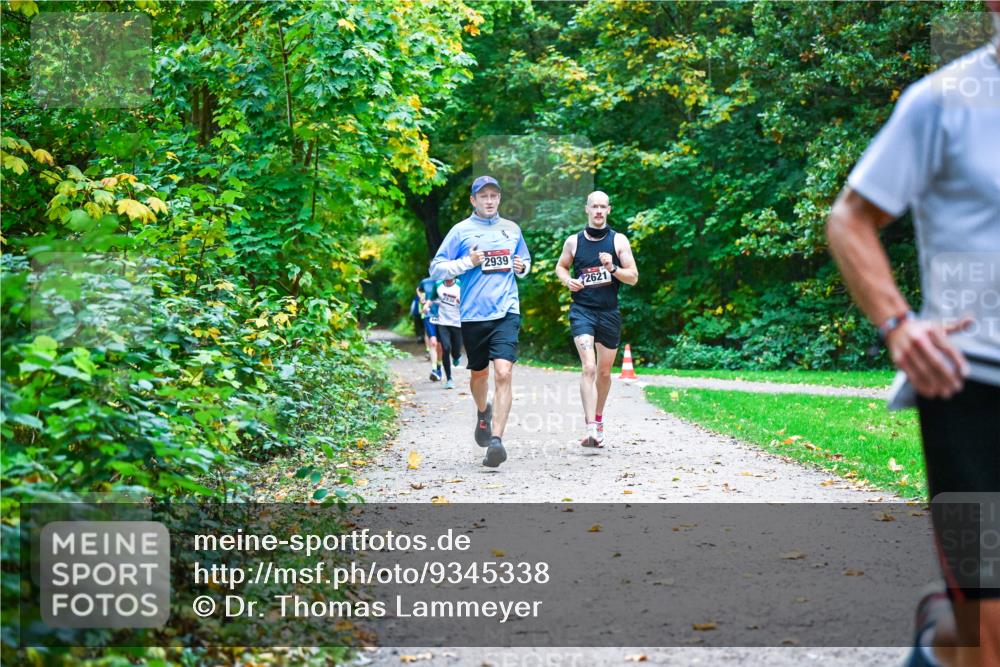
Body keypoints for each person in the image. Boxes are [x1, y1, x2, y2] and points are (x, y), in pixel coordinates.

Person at [825, 10, 999, 666]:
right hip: (968, 386)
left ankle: (940, 643)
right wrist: (898, 324)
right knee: (991, 631)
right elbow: (850, 218)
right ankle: (951, 638)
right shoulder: (940, 104)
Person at [430, 175, 531, 468]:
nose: (489, 201)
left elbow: (524, 260)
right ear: (473, 200)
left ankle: (497, 441)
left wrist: (522, 267)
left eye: (494, 196)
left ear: (499, 199)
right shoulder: (460, 231)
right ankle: (482, 412)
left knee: (503, 373)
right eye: (483, 196)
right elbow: (436, 268)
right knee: (479, 375)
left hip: (507, 310)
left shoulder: (512, 230)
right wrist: (467, 263)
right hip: (473, 314)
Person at [555, 191, 638, 448]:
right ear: (587, 209)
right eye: (595, 206)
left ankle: (599, 420)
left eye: (603, 207)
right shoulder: (574, 242)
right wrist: (568, 280)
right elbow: (561, 266)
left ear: (609, 210)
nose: (599, 211)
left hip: (609, 313)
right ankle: (590, 427)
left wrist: (612, 268)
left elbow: (633, 277)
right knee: (588, 367)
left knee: (603, 372)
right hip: (582, 311)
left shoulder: (619, 241)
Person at [435, 277, 463, 389]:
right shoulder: (437, 284)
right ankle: (449, 379)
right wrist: (427, 305)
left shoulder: (460, 283)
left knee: (456, 350)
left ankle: (456, 356)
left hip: (457, 322)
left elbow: (468, 296)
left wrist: (461, 299)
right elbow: (430, 297)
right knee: (445, 348)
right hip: (442, 322)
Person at [417, 276, 441, 381]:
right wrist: (421, 297)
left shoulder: (445, 281)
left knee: (441, 346)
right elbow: (419, 289)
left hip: (443, 315)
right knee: (433, 342)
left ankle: (439, 367)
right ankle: (434, 369)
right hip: (429, 314)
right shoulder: (425, 281)